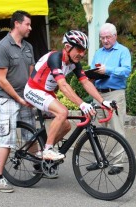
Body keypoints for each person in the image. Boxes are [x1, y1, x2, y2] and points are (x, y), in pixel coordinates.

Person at [24, 30, 112, 161]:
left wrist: (102, 101)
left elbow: (86, 82)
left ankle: (43, 153)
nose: (82, 54)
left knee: (66, 126)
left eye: (84, 50)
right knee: (62, 112)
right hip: (33, 89)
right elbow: (63, 86)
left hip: (47, 92)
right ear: (67, 47)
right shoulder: (55, 58)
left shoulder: (74, 63)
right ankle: (47, 150)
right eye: (79, 49)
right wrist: (82, 104)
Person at [0, 10, 36, 193]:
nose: (30, 28)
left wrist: (34, 95)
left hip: (25, 97)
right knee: (7, 137)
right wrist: (18, 98)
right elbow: (1, 79)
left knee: (31, 134)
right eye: (28, 24)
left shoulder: (28, 47)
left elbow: (32, 73)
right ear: (17, 24)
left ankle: (38, 167)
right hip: (7, 98)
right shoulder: (3, 47)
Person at [89, 23, 131, 175]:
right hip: (98, 93)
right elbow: (93, 69)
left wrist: (109, 70)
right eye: (102, 38)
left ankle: (118, 163)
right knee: (96, 128)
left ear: (115, 36)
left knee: (116, 128)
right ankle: (99, 159)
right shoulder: (98, 53)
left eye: (107, 37)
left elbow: (126, 70)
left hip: (114, 93)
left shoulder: (123, 51)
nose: (105, 40)